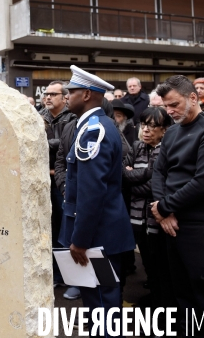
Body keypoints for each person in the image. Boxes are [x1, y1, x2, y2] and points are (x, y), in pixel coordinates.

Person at [152, 75, 204, 333]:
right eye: (166, 106)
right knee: (182, 294)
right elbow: (159, 172)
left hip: (203, 226)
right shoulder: (173, 131)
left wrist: (164, 207)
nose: (169, 111)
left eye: (174, 104)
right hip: (172, 224)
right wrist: (161, 210)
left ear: (193, 98)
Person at [59, 65, 135, 335]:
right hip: (99, 235)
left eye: (72, 91)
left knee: (102, 301)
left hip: (96, 238)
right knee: (98, 300)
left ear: (88, 95)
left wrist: (80, 239)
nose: (67, 96)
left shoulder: (94, 131)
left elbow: (92, 193)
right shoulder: (92, 126)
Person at [122, 106, 174, 325]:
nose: (146, 130)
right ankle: (154, 303)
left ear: (164, 130)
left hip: (158, 220)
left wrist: (135, 177)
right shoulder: (136, 147)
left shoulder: (166, 150)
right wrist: (141, 177)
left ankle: (163, 310)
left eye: (153, 126)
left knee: (161, 265)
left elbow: (157, 187)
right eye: (144, 125)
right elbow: (123, 178)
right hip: (136, 218)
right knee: (147, 265)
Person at [39, 81, 78, 299]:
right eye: (46, 93)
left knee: (67, 230)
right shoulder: (39, 115)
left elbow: (66, 144)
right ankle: (54, 275)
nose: (48, 97)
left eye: (53, 94)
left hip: (63, 181)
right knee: (50, 230)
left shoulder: (72, 118)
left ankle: (72, 278)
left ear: (64, 97)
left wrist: (45, 144)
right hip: (43, 180)